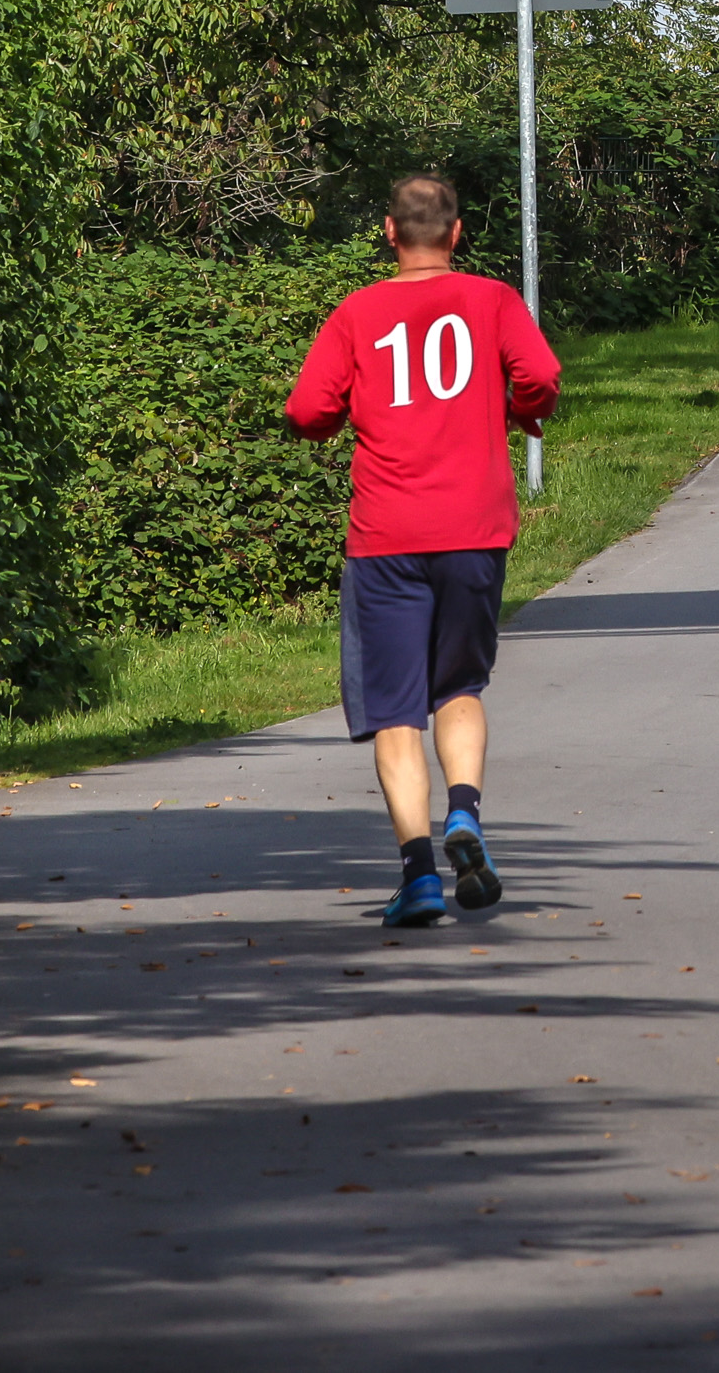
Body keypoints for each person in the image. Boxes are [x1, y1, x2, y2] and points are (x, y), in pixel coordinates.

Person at [280, 171, 560, 927]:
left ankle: (418, 875)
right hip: (475, 527)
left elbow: (307, 408)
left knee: (396, 708)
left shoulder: (357, 312)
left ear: (388, 231)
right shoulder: (493, 299)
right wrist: (519, 411)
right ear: (457, 232)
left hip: (387, 536)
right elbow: (540, 375)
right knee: (459, 687)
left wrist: (331, 425)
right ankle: (464, 814)